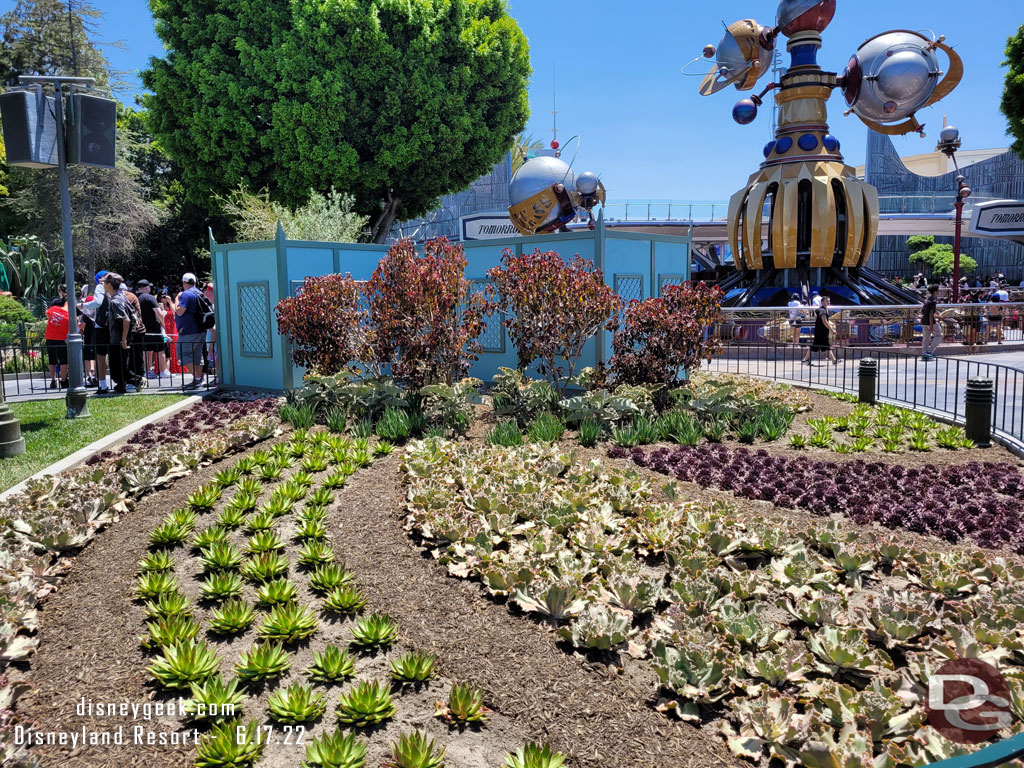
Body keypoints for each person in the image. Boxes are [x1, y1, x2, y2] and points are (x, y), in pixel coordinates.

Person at [103, 273, 146, 394]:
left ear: (110, 285)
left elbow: (125, 320)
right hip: (120, 338)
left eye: (105, 283)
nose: (103, 285)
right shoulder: (122, 298)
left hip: (118, 340)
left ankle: (138, 380)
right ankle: (121, 386)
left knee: (117, 367)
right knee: (119, 366)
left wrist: (123, 339)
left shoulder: (115, 301)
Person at [174, 272, 206, 390]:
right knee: (197, 355)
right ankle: (198, 379)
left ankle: (197, 378)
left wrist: (177, 298)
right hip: (200, 330)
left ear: (184, 283)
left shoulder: (186, 295)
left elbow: (179, 311)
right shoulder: (199, 292)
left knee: (183, 354)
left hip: (188, 331)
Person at [135, 279, 169, 379]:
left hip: (142, 329)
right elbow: (158, 313)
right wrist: (163, 325)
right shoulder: (149, 297)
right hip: (154, 329)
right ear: (147, 288)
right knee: (160, 350)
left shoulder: (136, 298)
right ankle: (163, 371)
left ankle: (147, 371)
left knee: (146, 351)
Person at [802, 296, 837, 365]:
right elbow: (824, 321)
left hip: (821, 332)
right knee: (817, 346)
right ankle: (805, 360)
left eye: (829, 301)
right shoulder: (822, 311)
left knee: (825, 346)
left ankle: (834, 361)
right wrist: (832, 330)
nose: (828, 302)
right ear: (822, 302)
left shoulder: (823, 309)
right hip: (821, 332)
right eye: (827, 301)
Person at [44, 296, 69, 389]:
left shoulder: (53, 309)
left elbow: (47, 313)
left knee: (52, 360)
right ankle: (63, 380)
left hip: (50, 338)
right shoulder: (68, 314)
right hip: (61, 339)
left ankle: (53, 380)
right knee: (63, 360)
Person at [920, 284, 942, 361]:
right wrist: (932, 325)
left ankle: (924, 353)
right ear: (935, 291)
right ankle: (930, 352)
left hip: (923, 321)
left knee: (926, 338)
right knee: (939, 335)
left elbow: (922, 311)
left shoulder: (927, 300)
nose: (939, 291)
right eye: (938, 290)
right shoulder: (933, 301)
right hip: (930, 321)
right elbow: (930, 314)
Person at [202, 281, 217, 385]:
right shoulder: (212, 305)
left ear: (210, 291)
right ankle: (217, 378)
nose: (203, 291)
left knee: (216, 360)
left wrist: (211, 344)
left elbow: (214, 328)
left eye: (205, 289)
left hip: (213, 339)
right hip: (211, 338)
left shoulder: (214, 306)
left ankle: (218, 378)